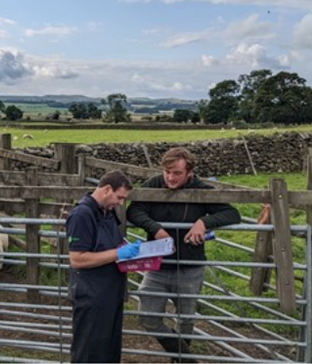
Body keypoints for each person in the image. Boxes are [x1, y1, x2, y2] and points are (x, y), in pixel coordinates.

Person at [126, 147, 240, 362]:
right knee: (147, 317)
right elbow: (134, 209)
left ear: (189, 172)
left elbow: (232, 213)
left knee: (185, 320)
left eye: (177, 173)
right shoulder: (154, 184)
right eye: (167, 171)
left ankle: (178, 360)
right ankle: (186, 358)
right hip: (157, 265)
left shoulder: (200, 189)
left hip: (190, 266)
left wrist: (204, 222)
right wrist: (155, 228)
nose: (170, 177)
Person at [67, 169, 140, 363]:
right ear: (107, 189)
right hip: (91, 295)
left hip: (110, 292)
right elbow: (77, 259)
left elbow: (107, 244)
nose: (121, 202)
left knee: (108, 348)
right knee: (90, 350)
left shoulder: (107, 212)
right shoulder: (82, 215)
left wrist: (129, 252)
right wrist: (118, 254)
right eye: (119, 197)